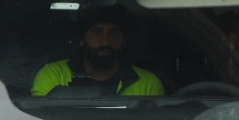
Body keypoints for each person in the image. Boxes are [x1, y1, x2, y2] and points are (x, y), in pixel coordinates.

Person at [31, 12, 165, 97]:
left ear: (124, 41)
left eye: (114, 32)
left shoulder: (148, 82)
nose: (106, 41)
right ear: (82, 40)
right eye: (96, 31)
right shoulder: (52, 75)